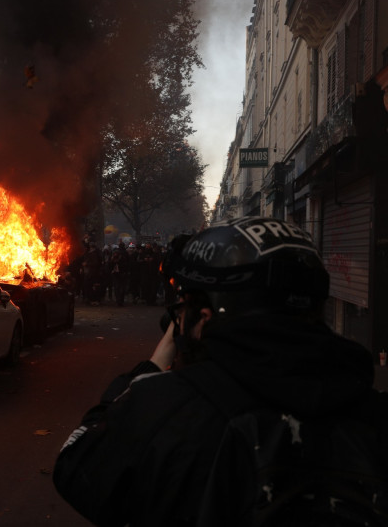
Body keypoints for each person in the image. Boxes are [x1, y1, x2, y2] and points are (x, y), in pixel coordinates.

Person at [53, 216, 388, 526]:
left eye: (186, 302)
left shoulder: (164, 406)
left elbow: (78, 470)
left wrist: (153, 366)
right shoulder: (372, 412)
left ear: (206, 315)